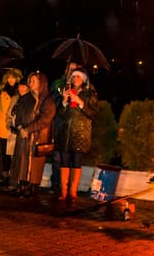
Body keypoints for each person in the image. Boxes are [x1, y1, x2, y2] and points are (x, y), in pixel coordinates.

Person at [55, 68, 99, 205]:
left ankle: (73, 192)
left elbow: (93, 114)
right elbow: (60, 114)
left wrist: (80, 102)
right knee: (64, 162)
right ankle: (63, 191)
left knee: (76, 162)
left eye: (78, 77)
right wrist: (63, 101)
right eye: (74, 77)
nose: (75, 80)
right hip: (66, 133)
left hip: (80, 133)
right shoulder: (67, 91)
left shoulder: (90, 94)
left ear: (84, 79)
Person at [9, 71, 56, 199]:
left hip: (39, 136)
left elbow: (45, 120)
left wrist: (28, 129)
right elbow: (18, 115)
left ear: (42, 83)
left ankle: (33, 186)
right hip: (24, 135)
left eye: (34, 81)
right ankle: (21, 184)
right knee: (22, 159)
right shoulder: (25, 98)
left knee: (36, 161)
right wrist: (20, 127)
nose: (30, 83)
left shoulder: (48, 100)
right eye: (30, 81)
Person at [0, 68, 23, 187]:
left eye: (13, 77)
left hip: (13, 127)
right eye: (9, 77)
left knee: (13, 154)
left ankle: (13, 178)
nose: (11, 79)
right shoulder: (2, 92)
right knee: (3, 154)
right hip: (2, 127)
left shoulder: (20, 92)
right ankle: (4, 177)